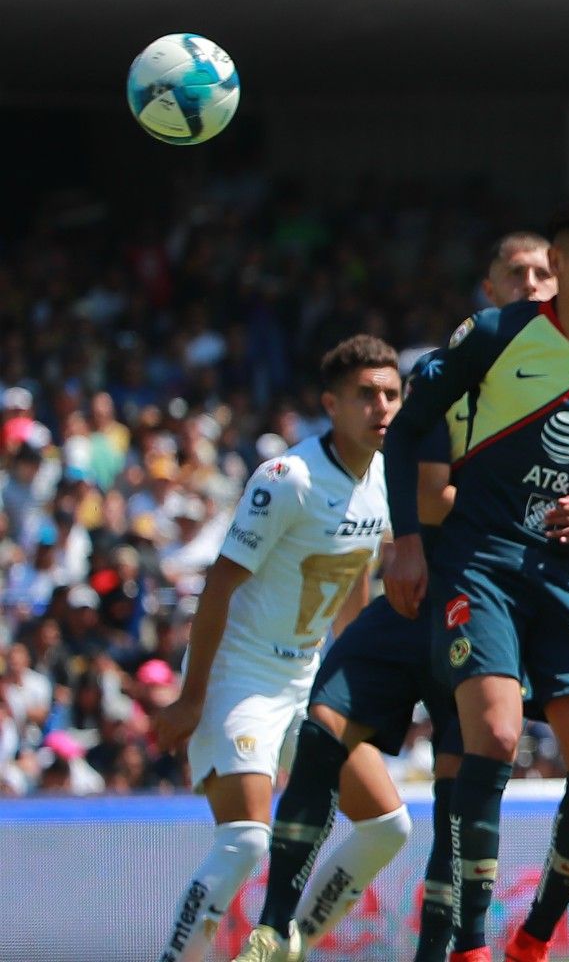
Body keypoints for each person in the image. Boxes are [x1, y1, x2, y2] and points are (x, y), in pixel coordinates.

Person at [236, 235, 555, 962]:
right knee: (321, 729)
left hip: (491, 613)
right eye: (519, 273)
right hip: (412, 601)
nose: (532, 284)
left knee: (456, 798)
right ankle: (275, 927)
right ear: (490, 283)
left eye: (544, 273)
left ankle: (436, 953)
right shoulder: (444, 371)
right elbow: (423, 494)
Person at [382, 197, 569, 962]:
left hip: (566, 574)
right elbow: (408, 430)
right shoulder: (495, 335)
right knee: (499, 736)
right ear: (563, 266)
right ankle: (471, 946)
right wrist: (408, 542)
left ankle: (532, 939)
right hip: (480, 560)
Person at [152, 335, 401, 962]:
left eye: (392, 394)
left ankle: (285, 944)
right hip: (240, 678)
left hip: (308, 682)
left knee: (388, 826)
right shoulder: (287, 478)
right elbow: (218, 587)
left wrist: (353, 679)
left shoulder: (385, 479)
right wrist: (191, 698)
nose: (382, 407)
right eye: (365, 395)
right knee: (246, 842)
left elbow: (354, 576)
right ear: (331, 405)